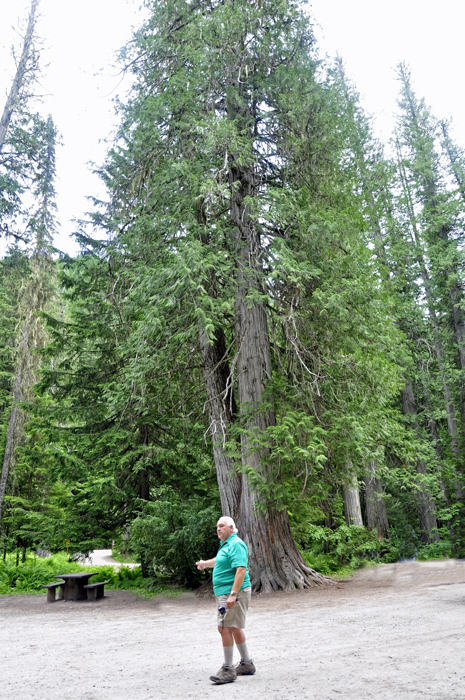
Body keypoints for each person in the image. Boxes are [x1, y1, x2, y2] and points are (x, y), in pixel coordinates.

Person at [196, 516, 256, 684]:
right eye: (217, 526)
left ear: (231, 527)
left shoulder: (236, 544)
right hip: (227, 593)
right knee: (234, 627)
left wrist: (233, 594)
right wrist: (205, 564)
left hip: (232, 594)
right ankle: (246, 664)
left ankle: (228, 669)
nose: (218, 529)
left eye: (222, 526)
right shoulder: (227, 545)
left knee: (224, 627)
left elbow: (241, 570)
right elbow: (221, 562)